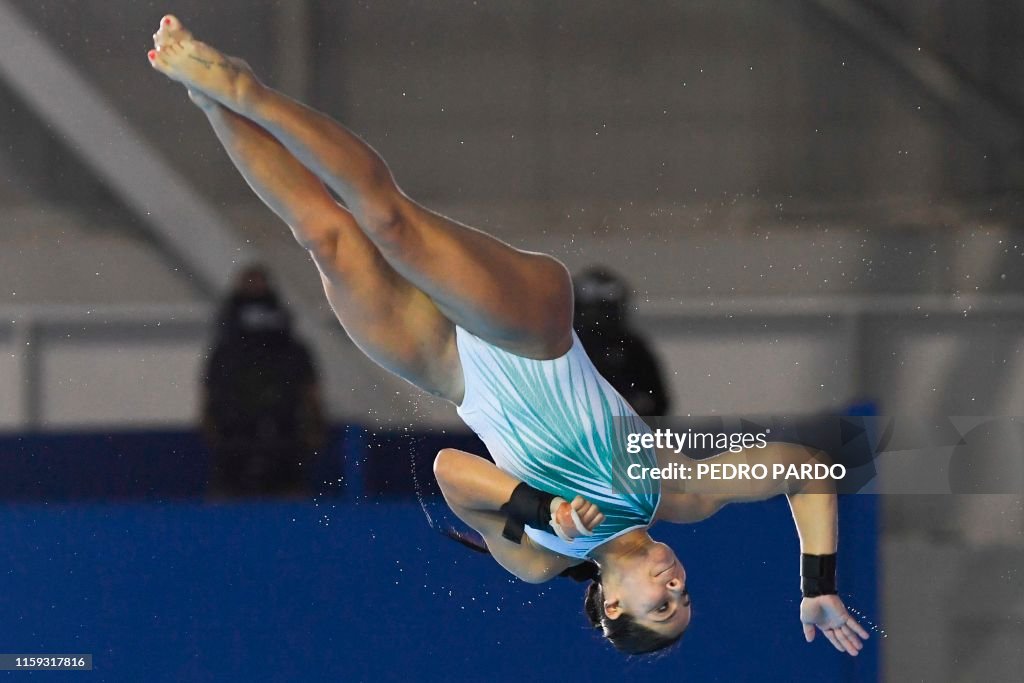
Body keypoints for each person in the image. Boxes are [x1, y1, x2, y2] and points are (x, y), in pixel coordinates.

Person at [148, 15, 869, 656]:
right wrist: (818, 583)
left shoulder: (540, 557)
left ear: (613, 604)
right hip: (533, 335)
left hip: (451, 370)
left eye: (662, 605)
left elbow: (452, 476)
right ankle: (247, 92)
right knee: (389, 222)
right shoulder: (676, 493)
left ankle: (206, 98)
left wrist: (539, 507)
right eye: (686, 598)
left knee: (325, 236)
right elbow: (808, 465)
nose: (677, 587)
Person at [201, 263, 326, 498]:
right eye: (249, 282)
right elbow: (209, 386)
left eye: (258, 282)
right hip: (235, 430)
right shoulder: (227, 348)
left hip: (283, 429)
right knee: (230, 487)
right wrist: (209, 419)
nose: (254, 288)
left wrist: (315, 420)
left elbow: (310, 385)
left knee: (289, 486)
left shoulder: (289, 347)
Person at [573, 266, 671, 416]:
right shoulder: (562, 350)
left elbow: (658, 403)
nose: (598, 321)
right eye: (593, 312)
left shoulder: (632, 348)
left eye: (606, 311)